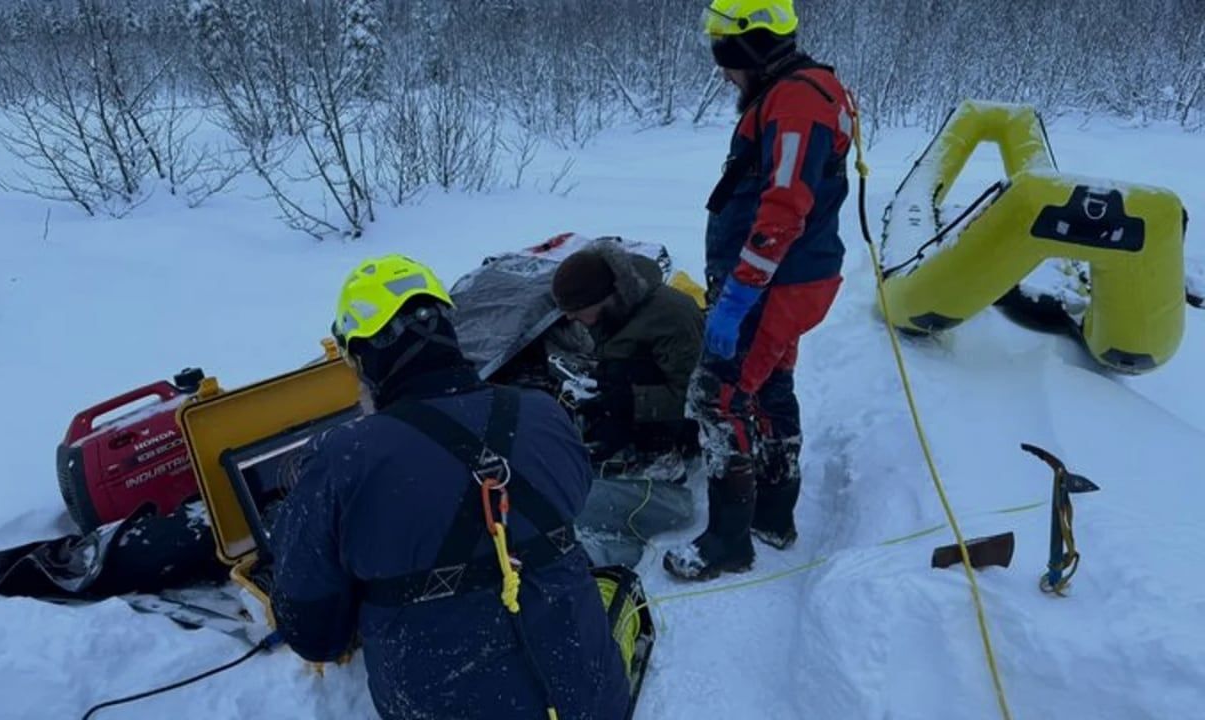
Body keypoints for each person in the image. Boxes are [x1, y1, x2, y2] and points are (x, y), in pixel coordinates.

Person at [267, 255, 630, 719]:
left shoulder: (342, 458)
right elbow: (573, 498)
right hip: (596, 701)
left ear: (363, 357)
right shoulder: (543, 414)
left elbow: (313, 633)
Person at [663, 0, 855, 581]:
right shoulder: (802, 89)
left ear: (750, 47)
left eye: (725, 57)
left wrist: (741, 294)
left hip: (775, 281)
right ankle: (774, 514)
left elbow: (784, 207)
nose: (722, 73)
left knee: (717, 398)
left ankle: (727, 541)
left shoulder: (796, 100)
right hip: (790, 276)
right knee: (769, 384)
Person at [550, 239, 705, 466]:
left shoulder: (672, 319)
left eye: (576, 310)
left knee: (629, 373)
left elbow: (694, 400)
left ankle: (663, 461)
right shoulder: (610, 312)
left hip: (680, 419)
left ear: (605, 298)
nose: (571, 318)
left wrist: (628, 400)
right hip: (636, 400)